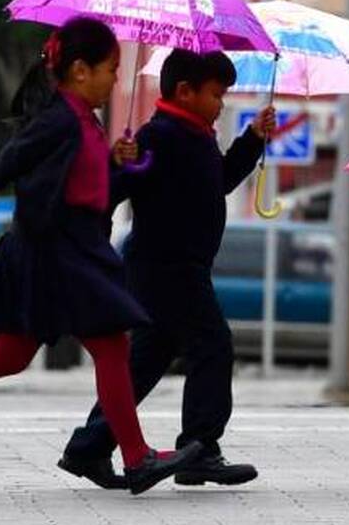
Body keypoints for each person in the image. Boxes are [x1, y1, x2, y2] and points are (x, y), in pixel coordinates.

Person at [0, 17, 203, 495]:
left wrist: (118, 162)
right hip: (55, 253)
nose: (115, 78)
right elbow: (0, 169)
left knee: (9, 354)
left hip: (71, 249)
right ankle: (137, 458)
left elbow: (92, 191)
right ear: (79, 70)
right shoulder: (57, 120)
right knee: (111, 346)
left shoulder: (85, 120)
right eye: (110, 69)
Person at [59, 49, 275, 489]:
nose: (221, 103)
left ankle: (88, 449)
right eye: (217, 94)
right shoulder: (161, 136)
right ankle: (201, 448)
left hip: (175, 266)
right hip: (167, 266)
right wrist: (120, 162)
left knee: (146, 360)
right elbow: (116, 189)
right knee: (213, 346)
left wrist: (253, 138)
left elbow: (219, 181)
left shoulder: (194, 134)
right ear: (184, 91)